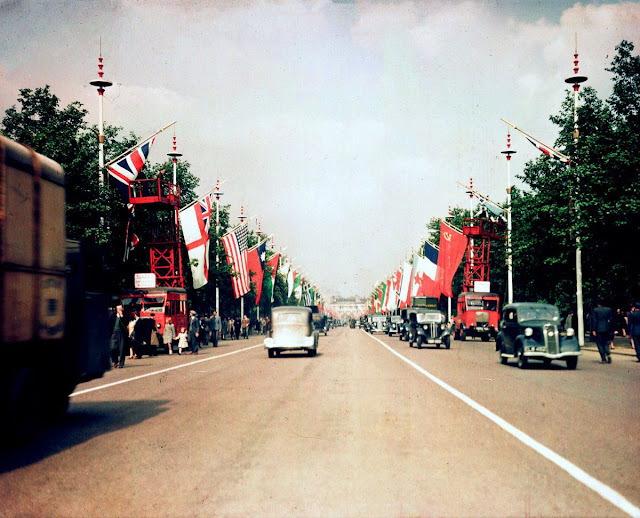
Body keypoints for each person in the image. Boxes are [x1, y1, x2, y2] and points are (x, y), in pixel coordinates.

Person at [589, 297, 614, 364]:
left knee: (599, 343)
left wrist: (593, 330)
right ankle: (608, 353)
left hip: (598, 329)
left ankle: (603, 358)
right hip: (607, 329)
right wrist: (611, 329)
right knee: (606, 342)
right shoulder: (608, 310)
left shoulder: (595, 310)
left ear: (597, 303)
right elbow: (611, 320)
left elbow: (594, 320)